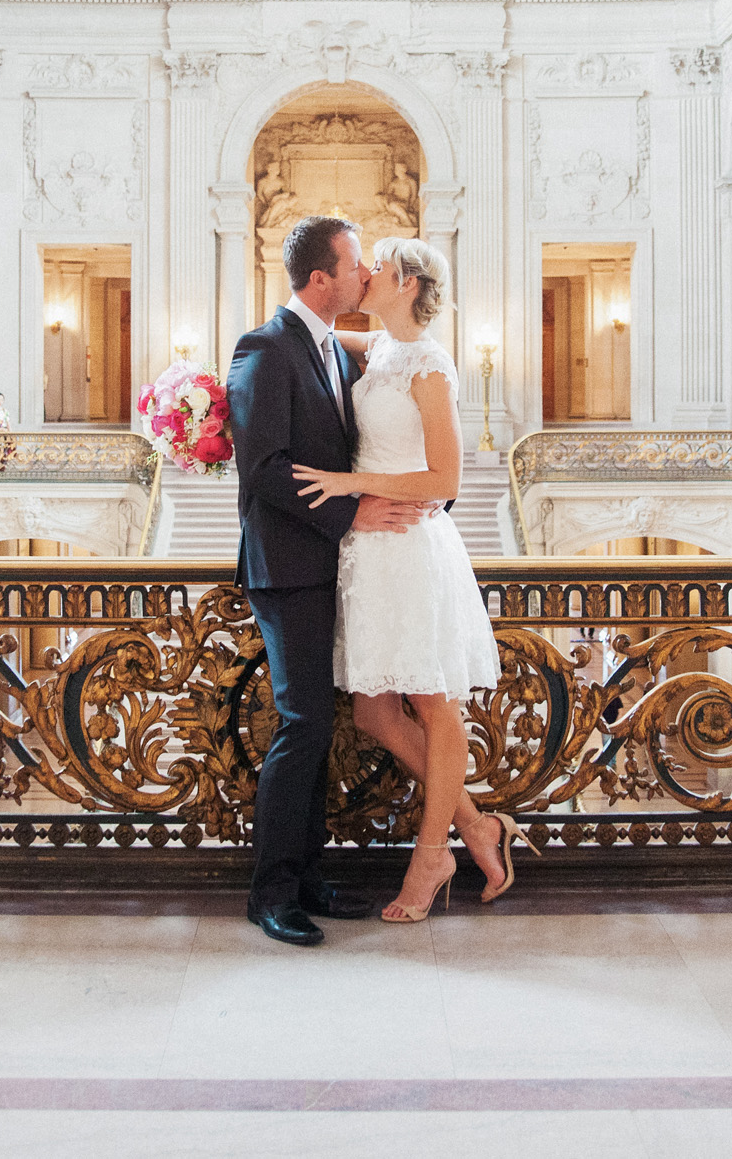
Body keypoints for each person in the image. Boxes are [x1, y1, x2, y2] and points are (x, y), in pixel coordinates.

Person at [291, 235, 534, 924]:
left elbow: (447, 479)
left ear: (405, 282)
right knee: (373, 711)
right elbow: (313, 337)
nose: (365, 272)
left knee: (432, 701)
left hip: (410, 542)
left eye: (379, 266)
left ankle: (432, 853)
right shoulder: (382, 349)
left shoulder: (429, 364)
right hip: (371, 551)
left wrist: (351, 484)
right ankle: (480, 828)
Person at [226, 215, 423, 947]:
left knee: (317, 725)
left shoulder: (334, 349)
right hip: (286, 568)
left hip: (328, 565)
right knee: (303, 722)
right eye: (355, 263)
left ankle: (309, 877)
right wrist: (355, 513)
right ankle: (270, 890)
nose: (364, 273)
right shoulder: (264, 347)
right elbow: (266, 470)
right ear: (320, 278)